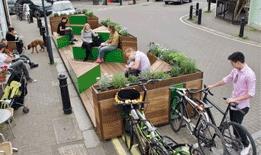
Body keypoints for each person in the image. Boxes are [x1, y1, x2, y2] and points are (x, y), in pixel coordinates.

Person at [207, 51, 256, 155]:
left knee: (237, 126)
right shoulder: (235, 70)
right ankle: (238, 143)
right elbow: (226, 80)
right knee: (234, 127)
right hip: (232, 104)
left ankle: (247, 145)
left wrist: (234, 99)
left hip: (242, 106)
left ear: (238, 62)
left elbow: (251, 94)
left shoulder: (250, 75)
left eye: (232, 63)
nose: (231, 65)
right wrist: (212, 85)